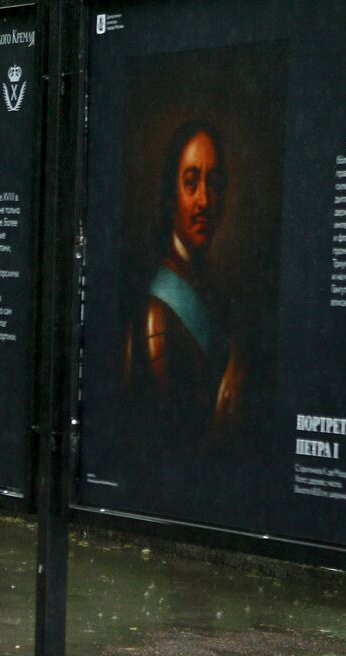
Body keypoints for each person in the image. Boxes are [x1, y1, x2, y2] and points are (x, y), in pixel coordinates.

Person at [124, 121, 246, 444]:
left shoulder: (219, 292)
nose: (204, 200)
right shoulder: (156, 310)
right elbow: (170, 438)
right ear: (171, 194)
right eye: (191, 183)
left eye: (214, 183)